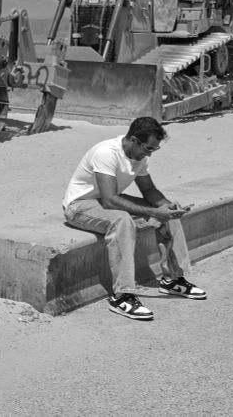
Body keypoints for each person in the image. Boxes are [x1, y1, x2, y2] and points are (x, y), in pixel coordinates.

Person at [63, 117, 206, 320]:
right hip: (80, 205)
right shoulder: (106, 153)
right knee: (122, 220)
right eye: (148, 148)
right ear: (133, 140)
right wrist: (154, 213)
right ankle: (122, 296)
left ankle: (173, 280)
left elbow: (149, 190)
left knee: (167, 209)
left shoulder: (140, 158)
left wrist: (169, 208)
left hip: (107, 199)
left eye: (154, 150)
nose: (149, 154)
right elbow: (110, 200)